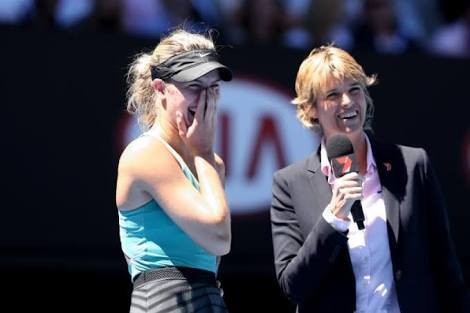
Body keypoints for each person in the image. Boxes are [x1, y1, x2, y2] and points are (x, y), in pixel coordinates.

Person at [270, 45, 470, 313]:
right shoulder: (289, 183)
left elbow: (445, 266)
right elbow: (293, 286)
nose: (347, 102)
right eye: (332, 95)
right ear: (311, 109)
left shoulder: (412, 165)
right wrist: (333, 217)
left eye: (355, 89)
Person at [116, 29, 232, 313]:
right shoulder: (146, 153)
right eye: (194, 85)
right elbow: (219, 238)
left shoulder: (213, 164)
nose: (205, 99)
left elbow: (210, 261)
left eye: (213, 87)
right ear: (160, 88)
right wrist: (203, 153)